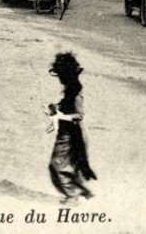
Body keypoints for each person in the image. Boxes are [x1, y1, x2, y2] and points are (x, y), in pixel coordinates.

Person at [46, 53, 96, 202]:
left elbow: (79, 115)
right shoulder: (71, 88)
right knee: (74, 165)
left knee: (57, 165)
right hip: (70, 132)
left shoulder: (75, 92)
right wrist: (57, 107)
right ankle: (83, 193)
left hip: (71, 134)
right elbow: (67, 107)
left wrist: (60, 116)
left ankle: (72, 196)